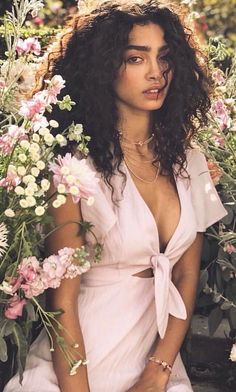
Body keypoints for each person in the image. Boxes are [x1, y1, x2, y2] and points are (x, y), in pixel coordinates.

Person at [4, 1, 227, 391]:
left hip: (156, 367)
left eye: (164, 57)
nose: (156, 72)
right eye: (136, 58)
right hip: (75, 366)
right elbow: (63, 302)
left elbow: (186, 273)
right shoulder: (74, 170)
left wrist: (158, 372)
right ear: (103, 67)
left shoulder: (190, 162)